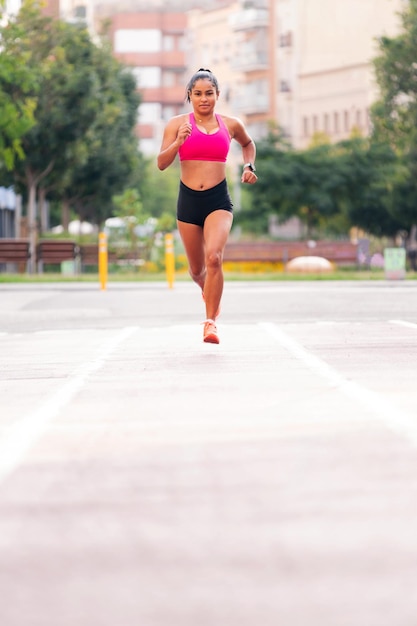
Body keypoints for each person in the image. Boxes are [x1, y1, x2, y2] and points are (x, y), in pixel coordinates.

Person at [157, 68, 258, 344]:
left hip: (218, 200)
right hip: (188, 201)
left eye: (209, 93)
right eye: (198, 94)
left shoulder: (231, 124)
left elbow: (248, 144)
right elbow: (162, 163)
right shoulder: (176, 124)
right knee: (197, 270)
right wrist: (178, 141)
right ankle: (208, 292)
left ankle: (210, 322)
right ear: (189, 95)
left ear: (218, 95)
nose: (204, 99)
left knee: (215, 257)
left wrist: (249, 165)